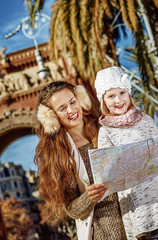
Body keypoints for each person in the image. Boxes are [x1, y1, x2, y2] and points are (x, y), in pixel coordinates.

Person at [35, 81, 127, 240]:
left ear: (80, 99)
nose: (71, 110)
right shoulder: (60, 157)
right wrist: (88, 198)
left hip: (138, 217)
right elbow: (71, 209)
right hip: (104, 232)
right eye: (62, 108)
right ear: (51, 117)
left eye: (72, 102)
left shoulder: (107, 127)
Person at [94, 66, 158, 240]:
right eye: (111, 96)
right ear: (103, 101)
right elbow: (106, 170)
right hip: (139, 208)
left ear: (128, 93)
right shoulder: (106, 131)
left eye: (122, 93)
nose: (118, 100)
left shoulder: (146, 120)